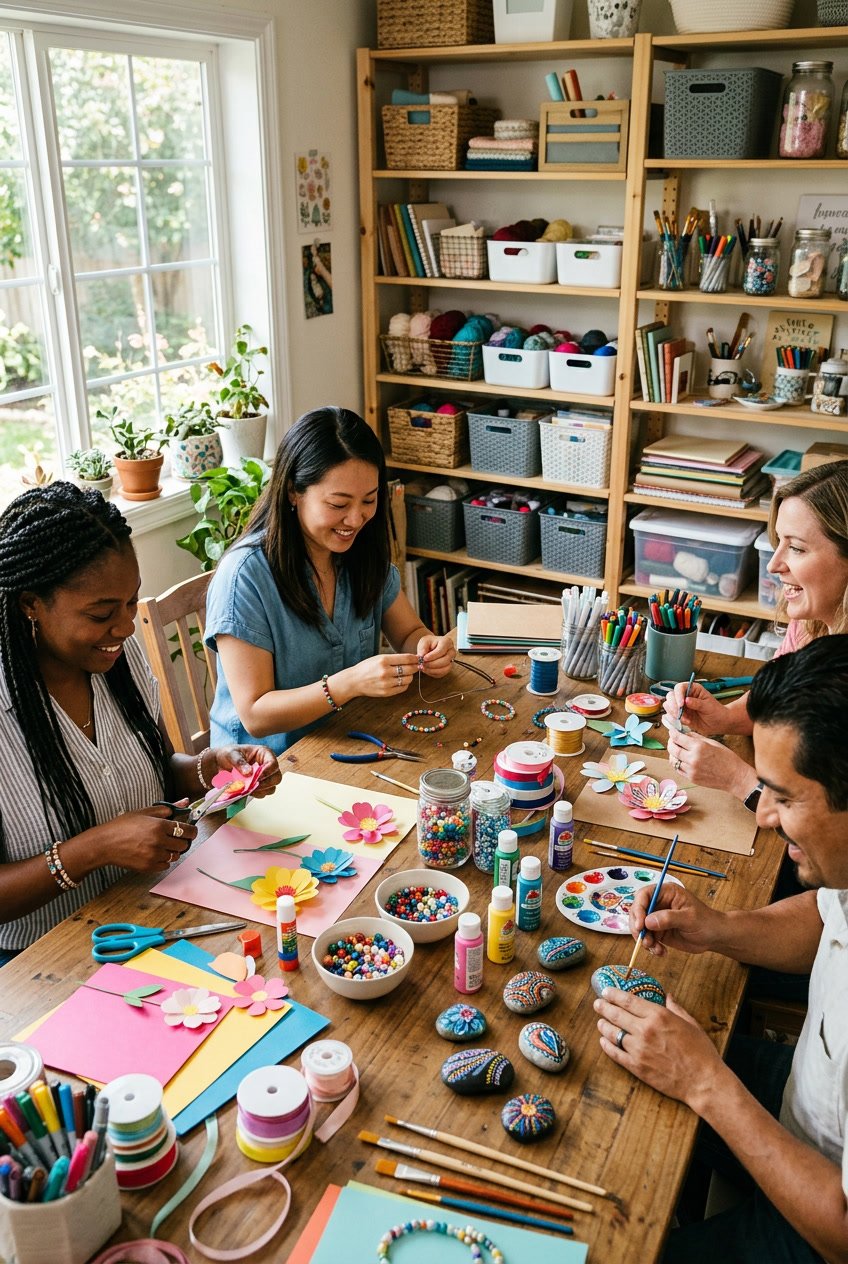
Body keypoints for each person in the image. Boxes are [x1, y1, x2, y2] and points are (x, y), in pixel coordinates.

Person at [595, 635, 848, 1263]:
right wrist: (716, 928)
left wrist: (707, 1084)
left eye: (784, 799)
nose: (764, 816)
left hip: (821, 1221)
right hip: (806, 1107)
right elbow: (825, 920)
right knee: (618, 1060)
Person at [0, 483, 280, 963]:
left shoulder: (116, 659)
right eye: (102, 613)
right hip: (39, 961)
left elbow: (156, 767)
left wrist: (209, 769)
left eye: (132, 602)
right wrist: (94, 848)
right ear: (31, 604)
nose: (127, 627)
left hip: (146, 911)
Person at [205, 406, 455, 755]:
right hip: (264, 773)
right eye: (339, 504)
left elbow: (409, 633)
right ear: (294, 491)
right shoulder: (245, 576)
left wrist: (429, 646)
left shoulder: (359, 552)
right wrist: (349, 683)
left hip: (349, 744)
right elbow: (255, 715)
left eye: (369, 500)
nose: (356, 518)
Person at [665, 459, 848, 807]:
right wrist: (726, 717)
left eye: (795, 547)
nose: (774, 564)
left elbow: (831, 825)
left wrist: (740, 780)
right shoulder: (810, 622)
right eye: (778, 542)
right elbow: (781, 704)